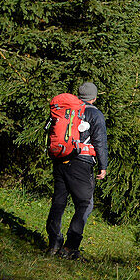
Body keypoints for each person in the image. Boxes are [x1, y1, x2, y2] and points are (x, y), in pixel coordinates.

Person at [46, 80, 108, 259]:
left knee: (59, 202)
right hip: (81, 163)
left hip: (60, 160)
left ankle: (54, 243)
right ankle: (70, 247)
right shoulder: (95, 115)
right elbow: (100, 142)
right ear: (94, 98)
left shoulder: (66, 110)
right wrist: (103, 166)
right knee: (85, 204)